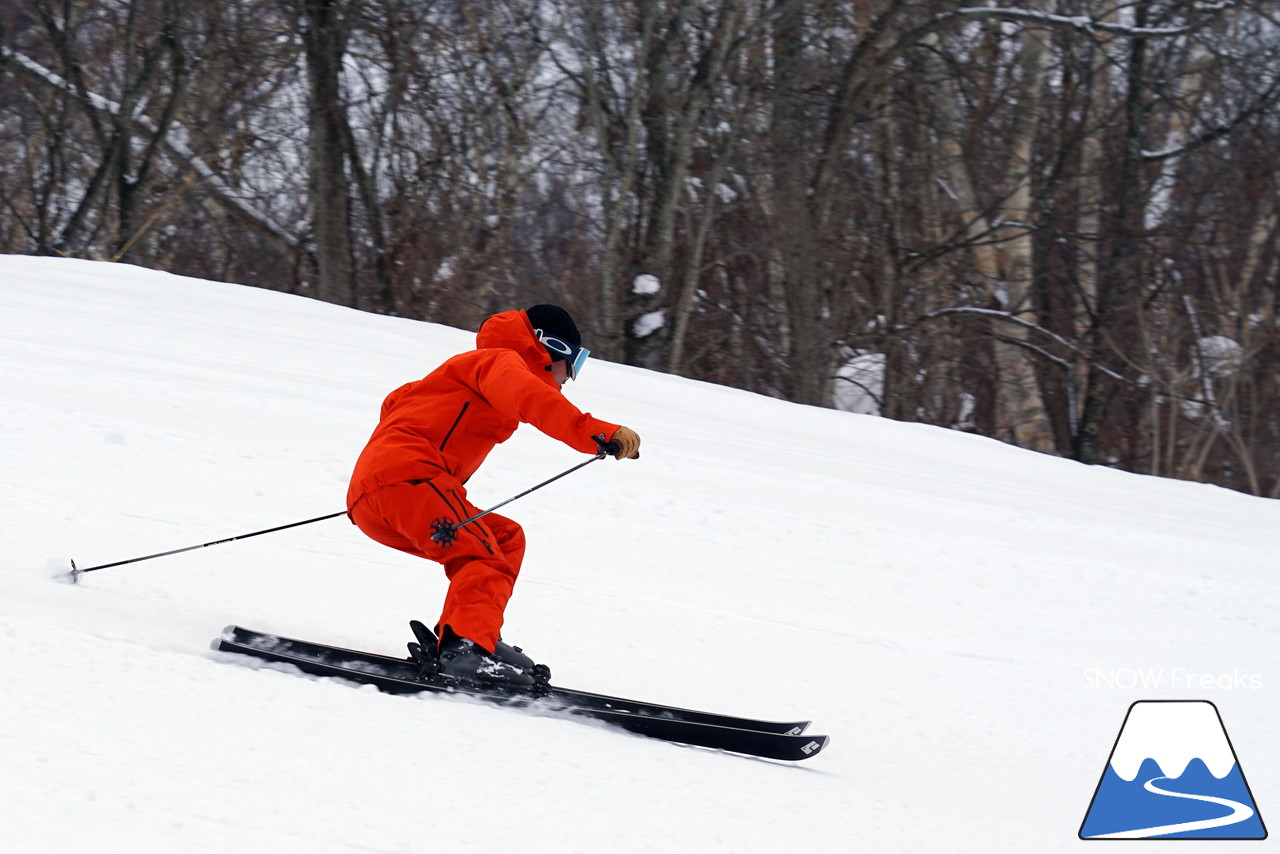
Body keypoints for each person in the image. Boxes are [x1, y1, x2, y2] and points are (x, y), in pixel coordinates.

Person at [346, 304, 640, 687]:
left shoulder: (464, 371)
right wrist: (599, 433)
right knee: (483, 556)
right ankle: (465, 648)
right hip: (411, 482)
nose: (570, 376)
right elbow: (532, 399)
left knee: (503, 538)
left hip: (379, 498)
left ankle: (469, 634)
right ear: (547, 348)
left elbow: (396, 402)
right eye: (573, 362)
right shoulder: (498, 363)